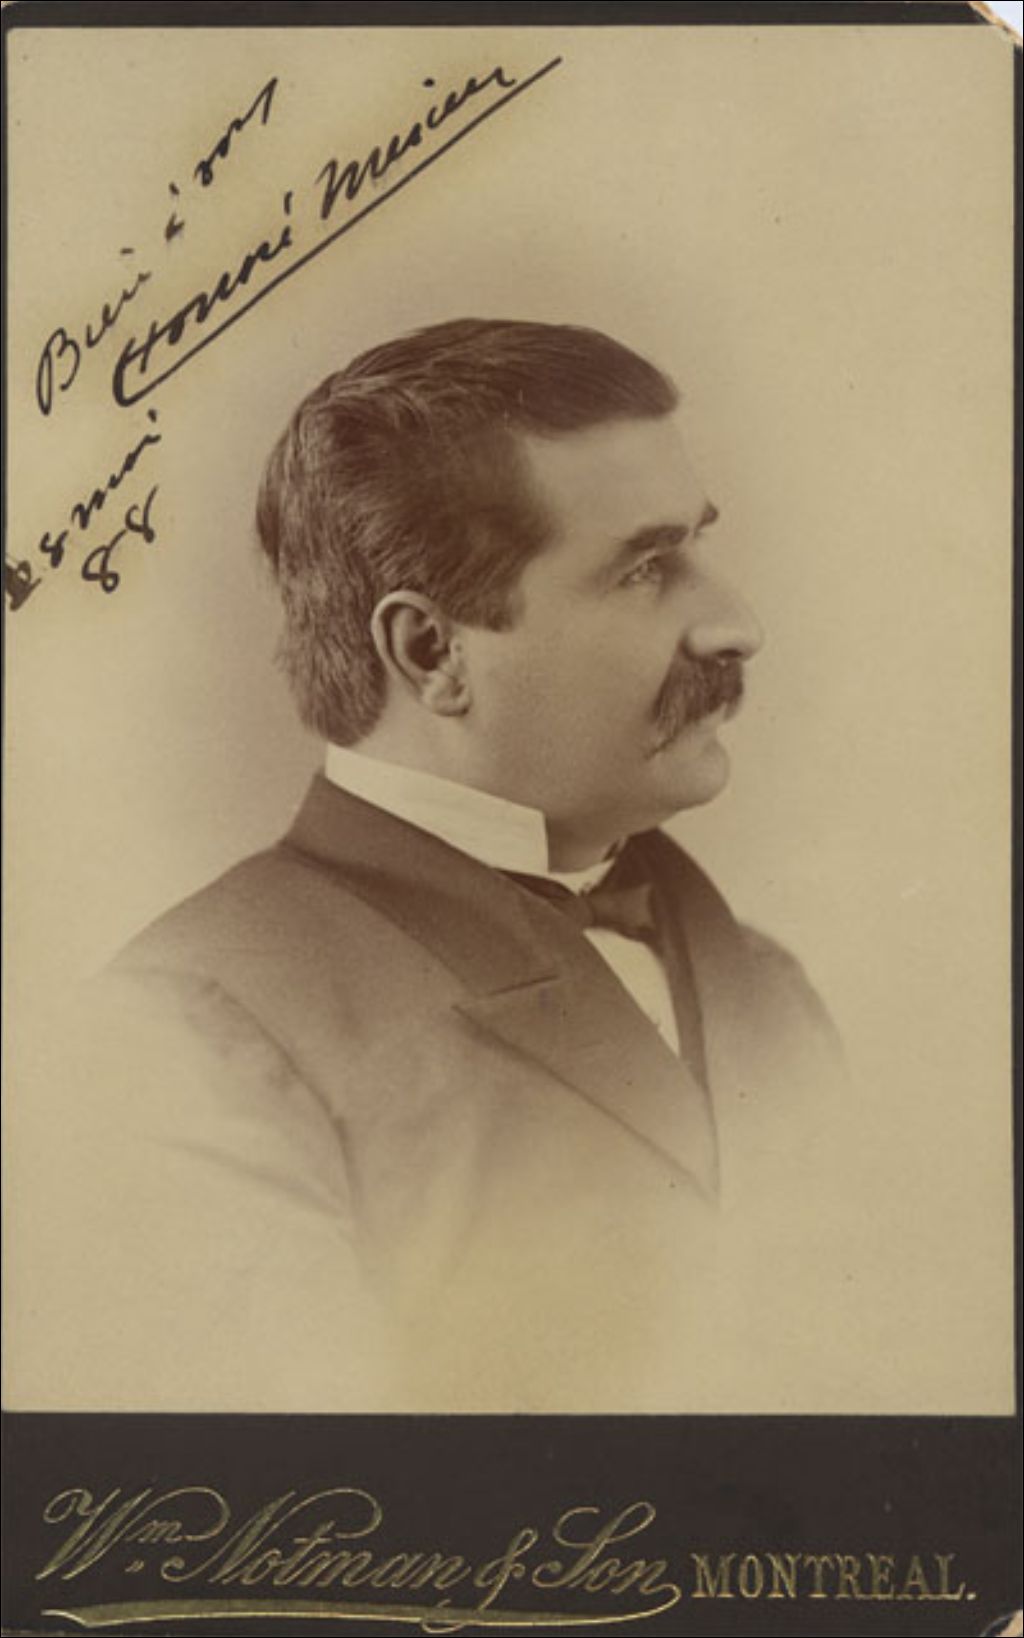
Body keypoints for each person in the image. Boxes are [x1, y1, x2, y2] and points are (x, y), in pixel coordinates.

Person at [39, 319, 845, 1412]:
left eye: (697, 548)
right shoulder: (186, 1034)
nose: (735, 625)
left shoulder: (768, 988)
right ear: (431, 652)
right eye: (646, 569)